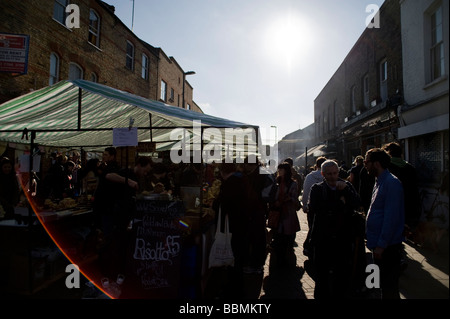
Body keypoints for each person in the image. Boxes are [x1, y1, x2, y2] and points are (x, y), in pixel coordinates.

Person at [307, 160, 361, 299]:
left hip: (343, 238)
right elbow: (316, 208)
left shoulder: (347, 185)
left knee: (342, 276)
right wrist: (340, 202)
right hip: (322, 239)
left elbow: (356, 203)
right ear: (323, 174)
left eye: (335, 173)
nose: (332, 177)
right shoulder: (317, 188)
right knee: (322, 278)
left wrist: (345, 192)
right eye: (329, 174)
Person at [364, 148, 405, 299]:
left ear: (376, 163)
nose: (365, 165)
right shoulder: (379, 181)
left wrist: (381, 245)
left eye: (366, 162)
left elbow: (391, 218)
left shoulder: (391, 183)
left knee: (389, 288)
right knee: (374, 283)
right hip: (376, 244)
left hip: (387, 247)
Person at [382, 142, 421, 234]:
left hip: (392, 206)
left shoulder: (386, 168)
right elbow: (415, 189)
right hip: (409, 204)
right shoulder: (410, 168)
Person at [268, 162, 301, 266]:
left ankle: (286, 259)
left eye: (281, 170)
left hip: (288, 214)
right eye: (279, 170)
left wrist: (284, 200)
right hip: (277, 213)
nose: (279, 171)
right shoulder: (276, 182)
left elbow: (294, 198)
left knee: (287, 236)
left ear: (286, 171)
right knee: (278, 236)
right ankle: (279, 258)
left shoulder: (292, 183)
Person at [301, 156, 327, 256]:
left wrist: (304, 205)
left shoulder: (310, 177)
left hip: (311, 207)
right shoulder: (328, 176)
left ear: (316, 165)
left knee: (312, 227)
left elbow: (306, 192)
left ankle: (310, 247)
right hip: (325, 209)